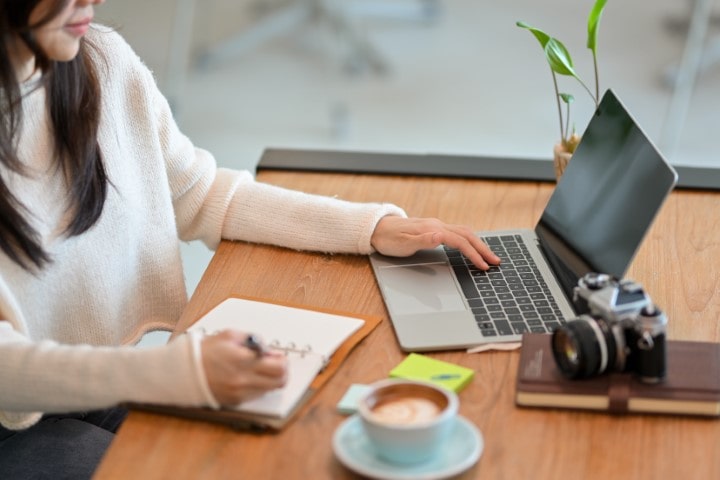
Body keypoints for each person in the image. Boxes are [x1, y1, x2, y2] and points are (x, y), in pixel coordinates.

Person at [0, 0, 500, 477]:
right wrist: (176, 371)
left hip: (100, 380)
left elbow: (200, 194)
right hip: (13, 424)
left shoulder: (100, 61)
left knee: (269, 447)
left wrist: (371, 227)